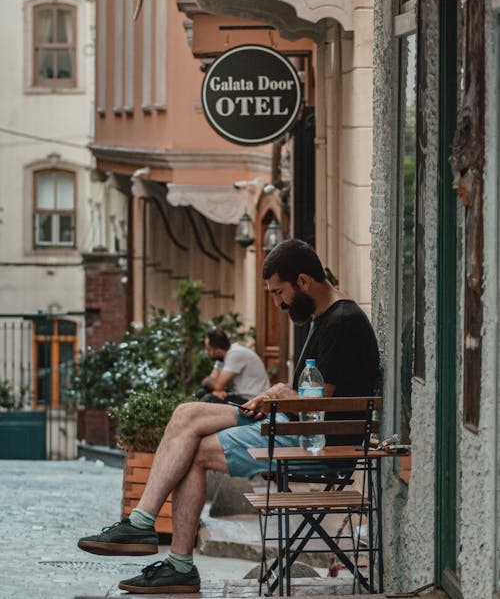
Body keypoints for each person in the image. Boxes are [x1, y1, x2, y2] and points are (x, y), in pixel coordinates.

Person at [78, 239, 380, 595]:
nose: (278, 303)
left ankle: (176, 563)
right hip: (293, 425)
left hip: (315, 444)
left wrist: (285, 395)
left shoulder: (343, 322)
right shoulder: (327, 316)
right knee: (185, 413)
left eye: (279, 292)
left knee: (193, 450)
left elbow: (320, 406)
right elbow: (319, 392)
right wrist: (277, 393)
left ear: (303, 281)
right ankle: (144, 524)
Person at [198, 327, 270, 404]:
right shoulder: (220, 358)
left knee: (210, 399)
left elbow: (217, 385)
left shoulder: (235, 353)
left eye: (208, 349)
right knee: (201, 393)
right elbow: (212, 381)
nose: (206, 352)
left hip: (253, 399)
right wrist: (215, 388)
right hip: (238, 396)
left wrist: (213, 385)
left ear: (217, 350)